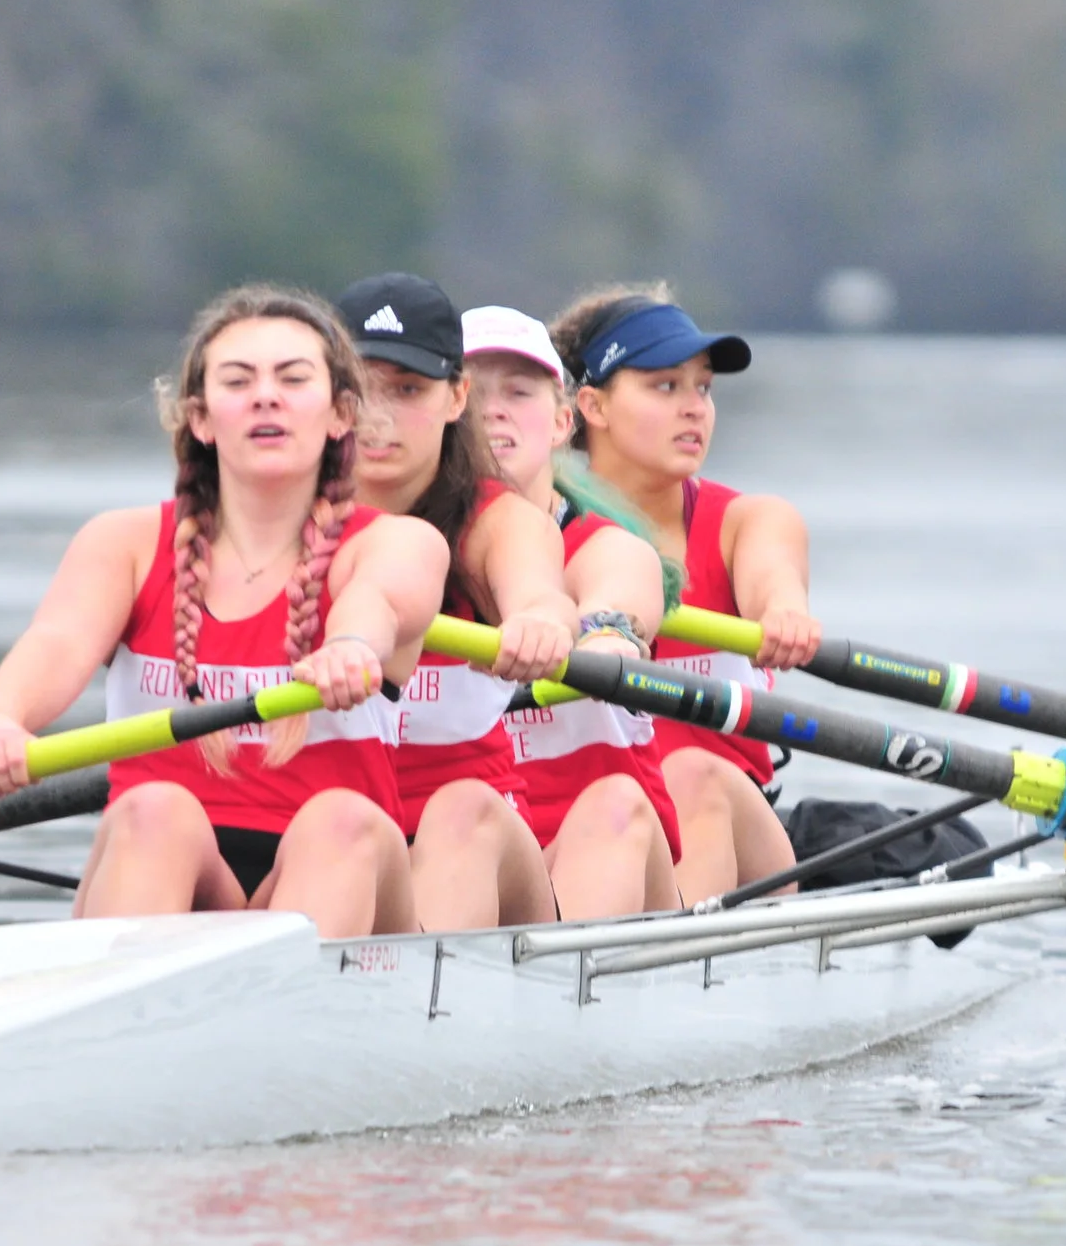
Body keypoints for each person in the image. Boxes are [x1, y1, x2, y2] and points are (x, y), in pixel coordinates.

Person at [0, 285, 449, 939]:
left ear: (340, 414)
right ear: (201, 419)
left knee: (341, 819)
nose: (266, 397)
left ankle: (277, 993)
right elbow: (59, 641)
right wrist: (1, 719)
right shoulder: (124, 544)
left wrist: (352, 645)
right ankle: (135, 990)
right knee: (156, 811)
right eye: (238, 381)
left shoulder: (397, 542)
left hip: (346, 873)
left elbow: (378, 599)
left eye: (292, 379)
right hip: (169, 866)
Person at [549, 285, 821, 905]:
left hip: (734, 835)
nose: (694, 408)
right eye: (665, 387)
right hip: (593, 828)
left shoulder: (748, 523)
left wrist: (784, 615)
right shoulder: (528, 532)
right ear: (592, 405)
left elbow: (774, 581)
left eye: (703, 388)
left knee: (689, 775)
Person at [335, 273, 574, 931]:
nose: (380, 417)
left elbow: (540, 592)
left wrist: (538, 623)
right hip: (337, 840)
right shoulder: (283, 518)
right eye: (361, 390)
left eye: (408, 390)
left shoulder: (497, 520)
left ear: (456, 397)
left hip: (478, 848)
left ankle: (420, 987)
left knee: (460, 809)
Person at [464, 304, 683, 919]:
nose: (494, 410)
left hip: (599, 853)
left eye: (518, 392)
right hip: (475, 854)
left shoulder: (605, 549)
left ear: (563, 421)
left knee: (615, 803)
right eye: (473, 393)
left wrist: (605, 639)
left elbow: (617, 606)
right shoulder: (401, 553)